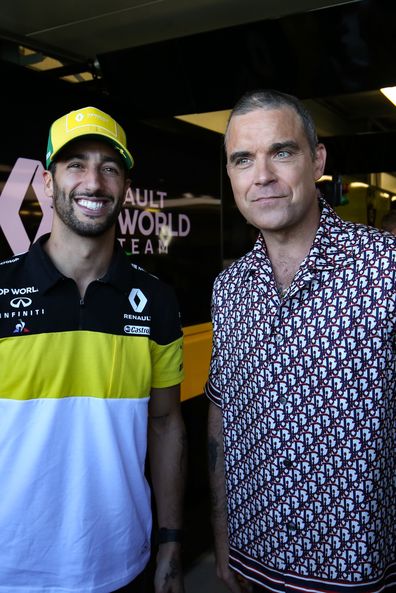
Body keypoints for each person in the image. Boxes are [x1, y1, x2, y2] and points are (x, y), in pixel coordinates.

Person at [206, 89, 396, 593]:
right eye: (243, 160)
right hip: (256, 559)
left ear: (317, 162)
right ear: (230, 176)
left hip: (363, 573)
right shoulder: (229, 290)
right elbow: (223, 416)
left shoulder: (385, 267)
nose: (262, 175)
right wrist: (224, 533)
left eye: (282, 152)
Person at [0, 106, 186, 593]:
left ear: (125, 186)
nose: (93, 181)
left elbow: (166, 423)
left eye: (109, 167)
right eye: (75, 164)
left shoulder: (157, 300)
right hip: (10, 567)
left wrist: (170, 541)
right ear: (47, 181)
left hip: (121, 563)